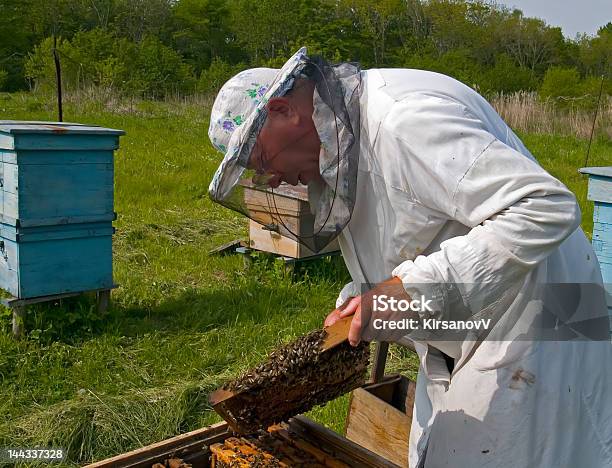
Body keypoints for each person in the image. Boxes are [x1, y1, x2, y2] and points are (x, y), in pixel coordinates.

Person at [207, 48, 612, 467]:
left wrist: (407, 291)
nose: (266, 178)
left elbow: (544, 206)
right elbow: (420, 236)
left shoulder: (403, 120)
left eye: (258, 159)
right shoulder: (344, 143)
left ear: (283, 110)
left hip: (543, 328)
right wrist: (366, 299)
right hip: (476, 330)